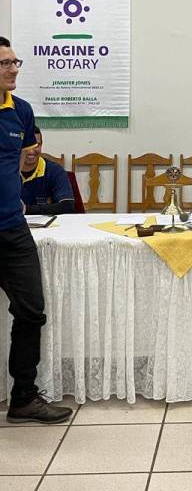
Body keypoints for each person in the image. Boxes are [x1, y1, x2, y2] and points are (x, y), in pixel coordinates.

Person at [0, 36, 72, 423]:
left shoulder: (21, 111)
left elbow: (19, 161)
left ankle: (24, 397)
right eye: (4, 63)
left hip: (12, 228)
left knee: (31, 312)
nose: (13, 69)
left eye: (15, 62)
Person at [21, 126, 75, 215]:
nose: (31, 151)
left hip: (47, 223)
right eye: (26, 145)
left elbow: (67, 206)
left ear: (41, 145)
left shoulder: (55, 171)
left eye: (36, 145)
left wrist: (26, 209)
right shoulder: (5, 171)